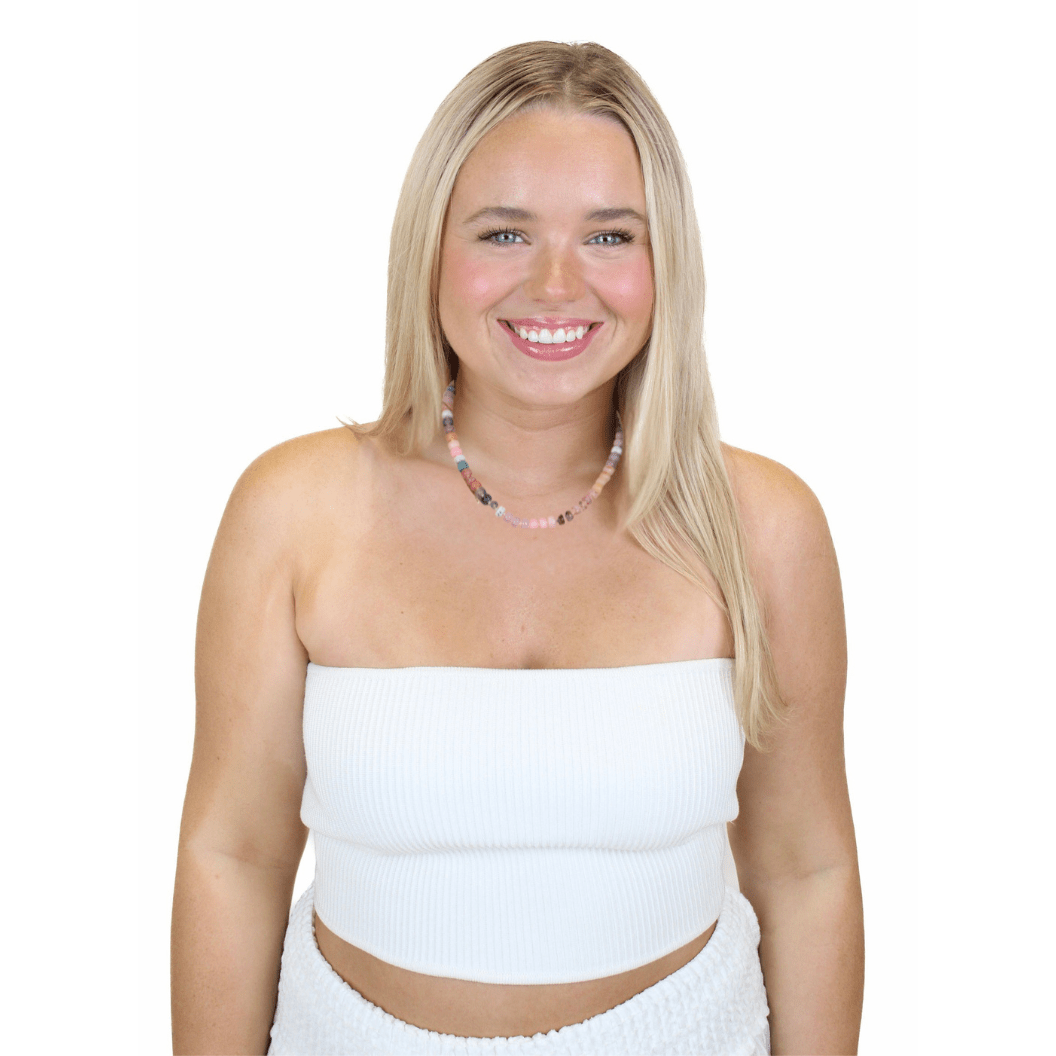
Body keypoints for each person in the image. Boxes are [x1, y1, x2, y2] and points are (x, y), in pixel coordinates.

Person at [170, 40, 864, 1056]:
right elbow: (232, 851)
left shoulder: (763, 525)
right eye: (504, 232)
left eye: (611, 236)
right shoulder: (296, 510)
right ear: (431, 250)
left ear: (666, 262)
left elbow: (806, 868)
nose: (555, 284)